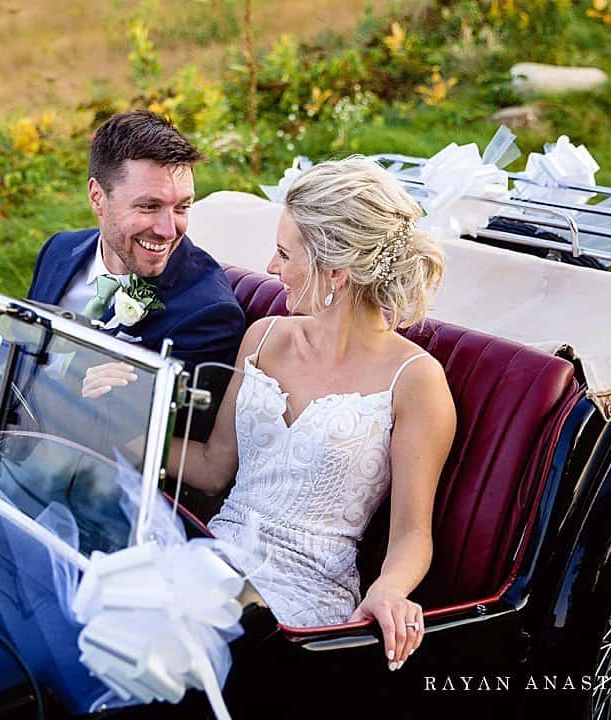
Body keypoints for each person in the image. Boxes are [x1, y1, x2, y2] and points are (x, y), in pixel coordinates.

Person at [165, 157, 456, 672]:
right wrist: (116, 431)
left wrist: (389, 590)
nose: (271, 269)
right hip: (214, 557)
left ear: (336, 273)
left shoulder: (416, 381)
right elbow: (213, 467)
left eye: (284, 253)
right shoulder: (264, 339)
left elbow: (413, 531)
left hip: (305, 598)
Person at [0, 110, 245, 375]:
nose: (169, 230)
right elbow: (29, 345)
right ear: (97, 198)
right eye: (149, 206)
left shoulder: (208, 313)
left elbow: (136, 437)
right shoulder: (60, 250)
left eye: (182, 206)